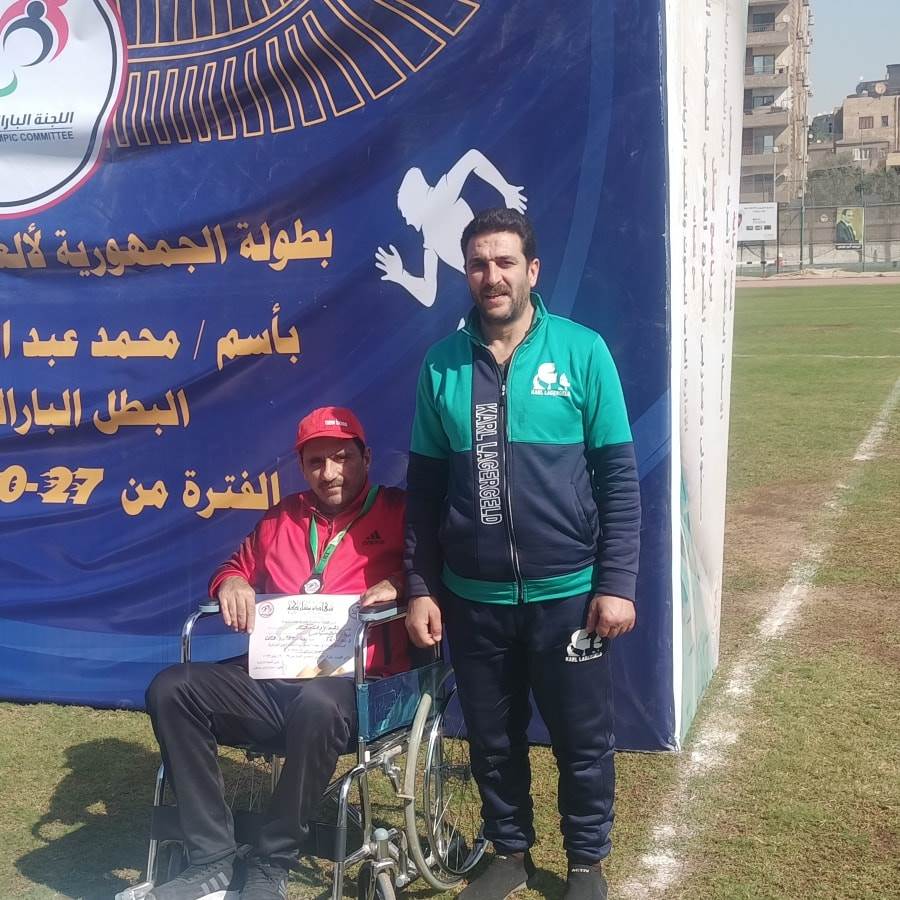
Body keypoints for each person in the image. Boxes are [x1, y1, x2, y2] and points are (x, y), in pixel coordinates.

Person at [404, 209, 641, 900]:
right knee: (493, 738)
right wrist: (420, 585)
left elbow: (618, 480)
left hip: (567, 595)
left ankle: (586, 863)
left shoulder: (582, 352)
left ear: (532, 271)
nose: (492, 277)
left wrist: (617, 581)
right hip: (474, 599)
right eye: (479, 264)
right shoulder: (442, 365)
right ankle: (509, 852)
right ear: (467, 274)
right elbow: (424, 491)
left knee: (582, 741)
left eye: (505, 262)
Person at [145, 407, 409, 900]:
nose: (329, 473)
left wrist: (402, 582)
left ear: (367, 458)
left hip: (357, 684)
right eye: (316, 462)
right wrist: (232, 582)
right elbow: (233, 566)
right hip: (273, 677)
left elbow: (436, 570)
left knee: (318, 703)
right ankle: (211, 858)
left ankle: (272, 861)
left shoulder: (398, 511)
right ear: (302, 467)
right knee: (172, 688)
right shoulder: (282, 516)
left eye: (342, 458)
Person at [374, 149, 527, 307]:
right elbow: (428, 295)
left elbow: (472, 158)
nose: (408, 222)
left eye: (406, 213)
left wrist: (506, 190)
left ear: (415, 201)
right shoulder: (429, 237)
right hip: (484, 296)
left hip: (501, 286)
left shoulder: (442, 196)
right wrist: (401, 275)